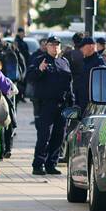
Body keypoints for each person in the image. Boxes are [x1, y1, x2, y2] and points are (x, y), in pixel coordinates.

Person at [24, 36, 73, 176]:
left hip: (62, 104)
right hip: (46, 105)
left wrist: (72, 103)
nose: (55, 47)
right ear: (46, 46)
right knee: (44, 136)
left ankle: (51, 164)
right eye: (52, 45)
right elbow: (30, 78)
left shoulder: (64, 62)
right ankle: (38, 165)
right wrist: (40, 70)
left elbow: (69, 84)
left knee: (59, 136)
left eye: (57, 45)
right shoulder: (40, 60)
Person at [73, 36, 106, 110]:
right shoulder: (85, 61)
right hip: (82, 103)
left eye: (82, 46)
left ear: (91, 46)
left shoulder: (99, 61)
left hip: (92, 105)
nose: (81, 49)